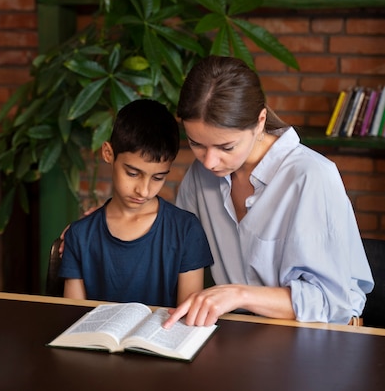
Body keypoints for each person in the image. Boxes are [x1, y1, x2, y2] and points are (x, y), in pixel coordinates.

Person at [162, 55, 373, 328]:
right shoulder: (200, 177)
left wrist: (239, 294)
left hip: (322, 335)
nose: (209, 161)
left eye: (226, 147)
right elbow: (177, 246)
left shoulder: (311, 177)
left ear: (260, 121)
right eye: (196, 144)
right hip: (243, 333)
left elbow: (333, 304)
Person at [59, 98, 213, 308]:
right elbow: (73, 317)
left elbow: (186, 318)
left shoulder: (186, 230)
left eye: (158, 178)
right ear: (108, 153)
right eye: (132, 173)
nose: (144, 190)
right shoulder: (80, 235)